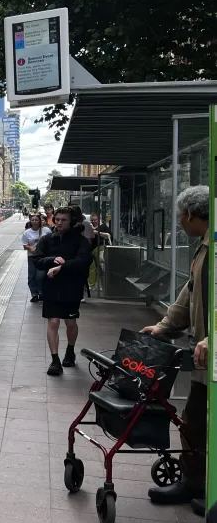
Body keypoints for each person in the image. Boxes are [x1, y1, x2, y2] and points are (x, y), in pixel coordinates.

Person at [140, 186, 209, 517]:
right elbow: (188, 294)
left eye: (181, 216)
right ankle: (193, 483)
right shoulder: (202, 249)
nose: (180, 222)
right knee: (193, 421)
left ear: (192, 215)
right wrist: (164, 326)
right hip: (203, 360)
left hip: (210, 353)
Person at [33, 207, 92, 375]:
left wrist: (61, 267)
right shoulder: (47, 239)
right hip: (51, 287)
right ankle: (55, 360)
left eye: (63, 220)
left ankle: (70, 351)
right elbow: (37, 260)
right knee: (53, 322)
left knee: (71, 322)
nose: (59, 222)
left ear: (71, 221)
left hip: (71, 288)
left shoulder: (81, 241)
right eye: (57, 219)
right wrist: (51, 261)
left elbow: (84, 261)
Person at [22, 214, 52, 302]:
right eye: (33, 220)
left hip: (43, 257)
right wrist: (30, 248)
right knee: (31, 276)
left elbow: (51, 241)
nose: (34, 222)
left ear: (40, 221)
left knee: (40, 275)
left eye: (36, 220)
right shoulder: (27, 232)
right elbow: (24, 245)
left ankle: (41, 292)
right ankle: (34, 294)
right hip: (32, 257)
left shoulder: (46, 230)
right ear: (30, 221)